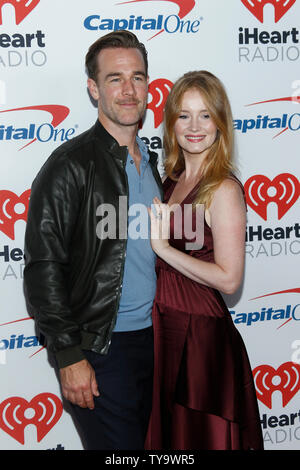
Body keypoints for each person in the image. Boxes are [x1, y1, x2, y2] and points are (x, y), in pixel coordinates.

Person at [23, 30, 163, 450]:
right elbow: (43, 266)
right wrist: (68, 354)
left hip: (158, 341)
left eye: (137, 78)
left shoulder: (155, 165)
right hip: (101, 347)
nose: (128, 90)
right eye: (114, 78)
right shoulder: (70, 165)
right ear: (93, 88)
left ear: (148, 88)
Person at [146, 70, 264, 450]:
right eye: (183, 115)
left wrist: (164, 249)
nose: (194, 126)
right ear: (171, 124)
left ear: (220, 123)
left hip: (201, 342)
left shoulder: (224, 188)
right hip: (165, 332)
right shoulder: (170, 180)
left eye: (204, 115)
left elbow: (230, 280)